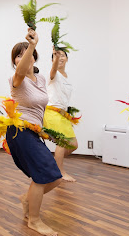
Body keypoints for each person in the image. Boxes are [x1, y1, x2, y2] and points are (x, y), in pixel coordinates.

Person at [7, 28, 62, 236]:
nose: (23, 58)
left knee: (54, 177)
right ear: (15, 62)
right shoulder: (16, 80)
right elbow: (21, 72)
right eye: (18, 55)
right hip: (19, 132)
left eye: (26, 54)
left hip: (33, 133)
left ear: (34, 59)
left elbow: (40, 108)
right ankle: (34, 220)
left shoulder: (40, 80)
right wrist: (31, 44)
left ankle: (27, 199)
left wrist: (45, 130)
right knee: (42, 176)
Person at [43, 49, 78, 182]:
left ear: (67, 59)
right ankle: (60, 172)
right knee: (63, 142)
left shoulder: (66, 76)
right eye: (57, 56)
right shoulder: (54, 74)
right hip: (52, 112)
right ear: (53, 60)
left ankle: (53, 164)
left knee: (73, 145)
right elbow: (53, 70)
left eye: (63, 55)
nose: (60, 58)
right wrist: (56, 57)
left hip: (62, 114)